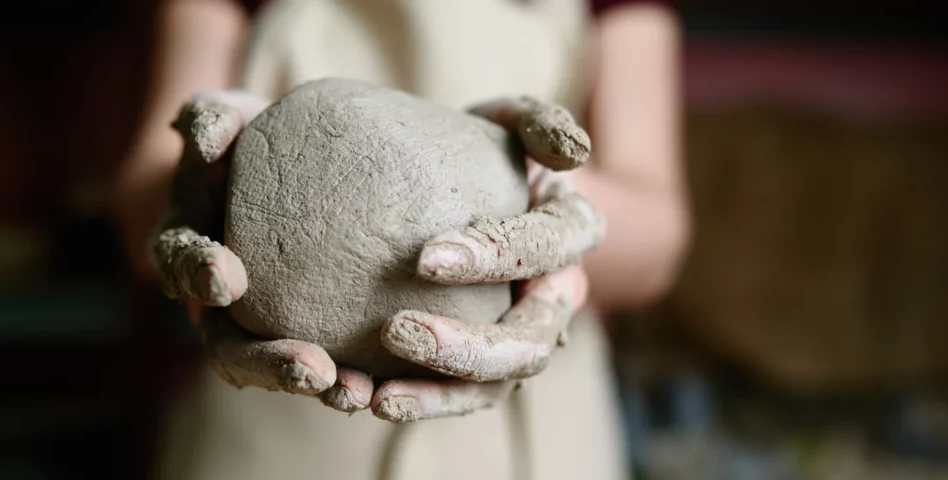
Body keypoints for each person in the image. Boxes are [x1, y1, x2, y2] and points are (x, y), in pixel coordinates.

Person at [113, 0, 688, 478]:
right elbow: (143, 204)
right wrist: (208, 173)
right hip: (272, 425)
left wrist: (543, 196)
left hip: (533, 431)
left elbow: (659, 240)